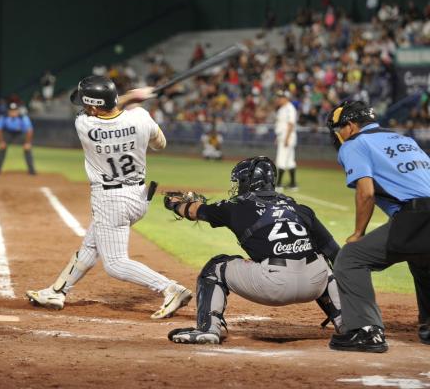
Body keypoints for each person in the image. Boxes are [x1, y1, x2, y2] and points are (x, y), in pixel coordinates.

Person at [26, 75, 192, 319]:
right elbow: (160, 144)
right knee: (91, 245)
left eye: (86, 103)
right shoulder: (139, 117)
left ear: (93, 106)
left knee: (114, 264)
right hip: (138, 197)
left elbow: (109, 108)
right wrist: (137, 103)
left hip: (110, 200)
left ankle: (170, 288)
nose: (84, 108)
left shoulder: (85, 125)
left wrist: (131, 96)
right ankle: (57, 291)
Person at [164, 156, 342, 344]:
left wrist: (175, 204)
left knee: (215, 267)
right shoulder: (299, 208)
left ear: (246, 181)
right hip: (315, 283)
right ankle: (349, 323)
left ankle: (208, 329)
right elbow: (336, 254)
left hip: (274, 285)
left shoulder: (236, 206)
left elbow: (193, 211)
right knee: (323, 262)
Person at [326, 100, 430, 353]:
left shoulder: (355, 143)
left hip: (417, 216)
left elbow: (366, 193)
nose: (338, 134)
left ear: (350, 126)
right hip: (419, 216)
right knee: (422, 258)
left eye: (339, 128)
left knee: (350, 258)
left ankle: (365, 331)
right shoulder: (404, 140)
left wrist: (358, 233)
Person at [0, 101, 36, 175]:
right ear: (8, 111)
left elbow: (29, 130)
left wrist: (27, 143)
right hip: (8, 133)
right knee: (2, 148)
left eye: (15, 111)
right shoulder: (4, 116)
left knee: (27, 149)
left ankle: (31, 170)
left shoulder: (23, 117)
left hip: (20, 133)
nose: (13, 113)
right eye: (11, 111)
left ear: (18, 111)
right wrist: (1, 141)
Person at [274, 90, 298, 191]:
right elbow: (281, 125)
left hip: (287, 136)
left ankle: (278, 185)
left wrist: (287, 138)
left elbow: (291, 124)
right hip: (283, 136)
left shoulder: (290, 108)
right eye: (278, 97)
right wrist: (277, 137)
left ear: (286, 98)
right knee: (289, 161)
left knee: (281, 159)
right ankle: (293, 184)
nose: (278, 99)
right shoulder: (282, 109)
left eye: (281, 97)